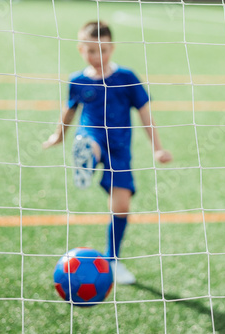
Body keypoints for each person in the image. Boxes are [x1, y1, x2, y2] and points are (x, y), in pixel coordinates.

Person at [43, 21, 172, 284]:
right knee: (90, 143)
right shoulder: (77, 80)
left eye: (102, 51)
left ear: (112, 49)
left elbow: (146, 115)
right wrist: (58, 135)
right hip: (91, 135)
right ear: (81, 49)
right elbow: (69, 111)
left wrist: (157, 148)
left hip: (120, 150)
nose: (96, 57)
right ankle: (86, 158)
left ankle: (112, 260)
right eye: (90, 51)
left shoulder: (127, 77)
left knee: (121, 207)